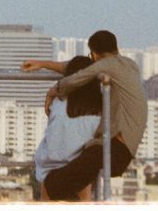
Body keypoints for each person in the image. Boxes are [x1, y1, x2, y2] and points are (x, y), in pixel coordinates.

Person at [21, 30, 147, 201]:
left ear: (94, 53)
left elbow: (78, 76)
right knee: (63, 183)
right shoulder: (130, 65)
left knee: (52, 184)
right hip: (122, 147)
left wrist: (55, 90)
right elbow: (78, 68)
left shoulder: (107, 65)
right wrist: (43, 64)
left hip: (114, 147)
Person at [32, 56, 102, 201]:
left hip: (49, 167)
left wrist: (43, 63)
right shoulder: (99, 108)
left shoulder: (58, 102)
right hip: (79, 169)